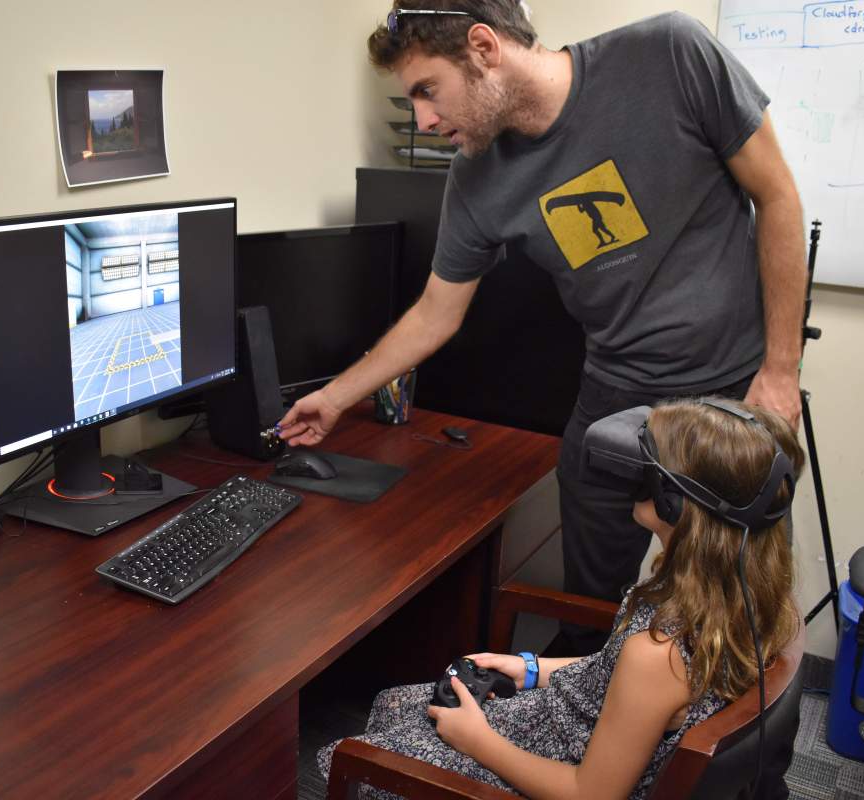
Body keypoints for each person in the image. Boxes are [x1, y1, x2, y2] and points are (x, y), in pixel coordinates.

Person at [280, 1, 807, 654]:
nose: (423, 119)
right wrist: (334, 397)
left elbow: (778, 194)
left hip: (727, 386)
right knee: (584, 613)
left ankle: (696, 748)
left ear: (483, 47)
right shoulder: (476, 181)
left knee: (729, 618)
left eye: (426, 91)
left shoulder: (669, 54)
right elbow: (435, 314)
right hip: (613, 391)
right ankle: (581, 723)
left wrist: (781, 371)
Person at [316, 397, 806, 799]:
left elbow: (589, 795)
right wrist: (533, 667)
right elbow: (627, 681)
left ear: (674, 502)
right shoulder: (747, 600)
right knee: (394, 706)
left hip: (570, 764)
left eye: (646, 464)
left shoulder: (659, 655)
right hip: (583, 723)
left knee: (352, 760)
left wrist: (478, 741)